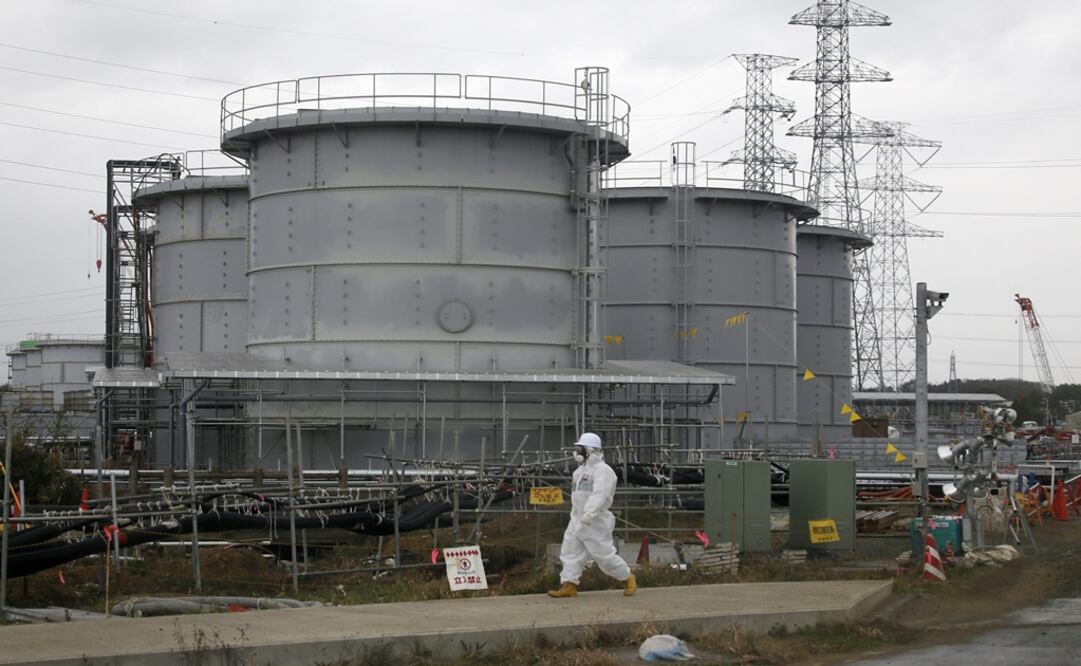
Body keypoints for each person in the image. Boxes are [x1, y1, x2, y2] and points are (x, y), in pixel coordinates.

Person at [548, 432, 637, 598]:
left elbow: (601, 494)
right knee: (569, 551)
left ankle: (628, 577)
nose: (576, 452)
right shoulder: (579, 472)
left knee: (603, 555)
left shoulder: (604, 471)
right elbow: (578, 495)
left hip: (594, 520)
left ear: (590, 450)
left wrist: (590, 513)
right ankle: (569, 584)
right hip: (577, 518)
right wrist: (577, 515)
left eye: (579, 448)